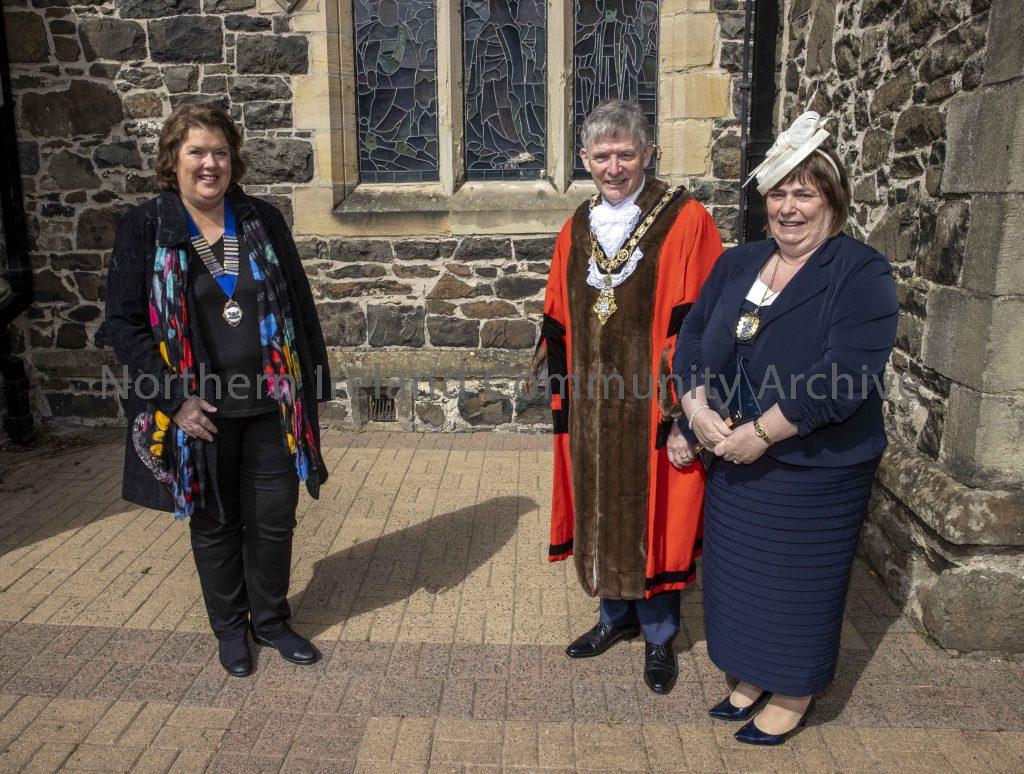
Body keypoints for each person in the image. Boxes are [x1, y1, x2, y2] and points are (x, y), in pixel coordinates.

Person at [673, 111, 899, 744]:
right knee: (740, 579)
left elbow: (844, 376)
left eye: (805, 194)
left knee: (796, 584)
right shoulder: (740, 262)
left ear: (833, 202)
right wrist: (695, 410)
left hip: (815, 467)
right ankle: (750, 676)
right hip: (731, 454)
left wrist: (763, 433)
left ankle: (794, 690)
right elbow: (693, 336)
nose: (788, 208)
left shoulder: (861, 272)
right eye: (778, 193)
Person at [105, 103, 332, 677]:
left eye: (221, 152)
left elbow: (299, 304)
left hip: (273, 404)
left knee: (275, 520)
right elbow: (124, 324)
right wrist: (172, 398)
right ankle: (230, 629)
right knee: (216, 522)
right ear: (173, 160)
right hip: (199, 410)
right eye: (197, 152)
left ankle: (271, 621)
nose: (211, 164)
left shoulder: (261, 218)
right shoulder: (147, 226)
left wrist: (314, 387)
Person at [534, 100, 723, 694]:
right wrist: (564, 408)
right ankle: (613, 617)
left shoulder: (687, 220)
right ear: (584, 160)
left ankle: (660, 633)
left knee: (659, 514)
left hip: (654, 409)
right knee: (599, 505)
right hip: (592, 407)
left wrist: (684, 416)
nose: (613, 167)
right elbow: (557, 319)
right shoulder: (577, 227)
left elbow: (701, 328)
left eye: (625, 154)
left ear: (649, 154)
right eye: (601, 156)